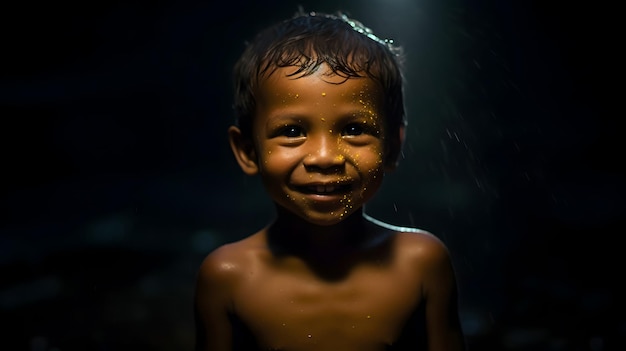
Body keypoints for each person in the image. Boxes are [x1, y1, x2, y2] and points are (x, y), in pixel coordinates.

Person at [194, 9, 466, 351]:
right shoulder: (227, 276)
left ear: (392, 147)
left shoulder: (421, 264)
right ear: (248, 151)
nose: (325, 157)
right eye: (292, 131)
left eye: (354, 129)